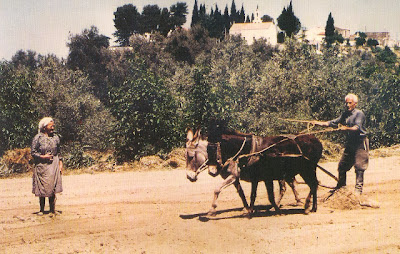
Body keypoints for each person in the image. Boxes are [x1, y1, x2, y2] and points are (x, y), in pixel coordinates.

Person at [313, 93, 369, 195]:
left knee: (359, 167)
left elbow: (357, 128)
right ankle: (341, 187)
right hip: (350, 143)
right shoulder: (345, 114)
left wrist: (345, 128)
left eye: (350, 103)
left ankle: (358, 191)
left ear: (355, 104)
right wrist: (318, 123)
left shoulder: (359, 114)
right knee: (342, 166)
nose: (347, 105)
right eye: (346, 103)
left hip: (360, 142)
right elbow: (332, 122)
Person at [31, 117, 63, 215]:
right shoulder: (38, 138)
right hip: (42, 166)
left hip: (53, 165)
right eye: (51, 125)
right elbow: (33, 152)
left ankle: (52, 210)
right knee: (42, 188)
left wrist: (60, 164)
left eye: (53, 125)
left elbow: (59, 152)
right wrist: (43, 156)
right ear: (44, 127)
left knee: (52, 187)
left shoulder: (56, 137)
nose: (53, 127)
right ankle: (41, 209)